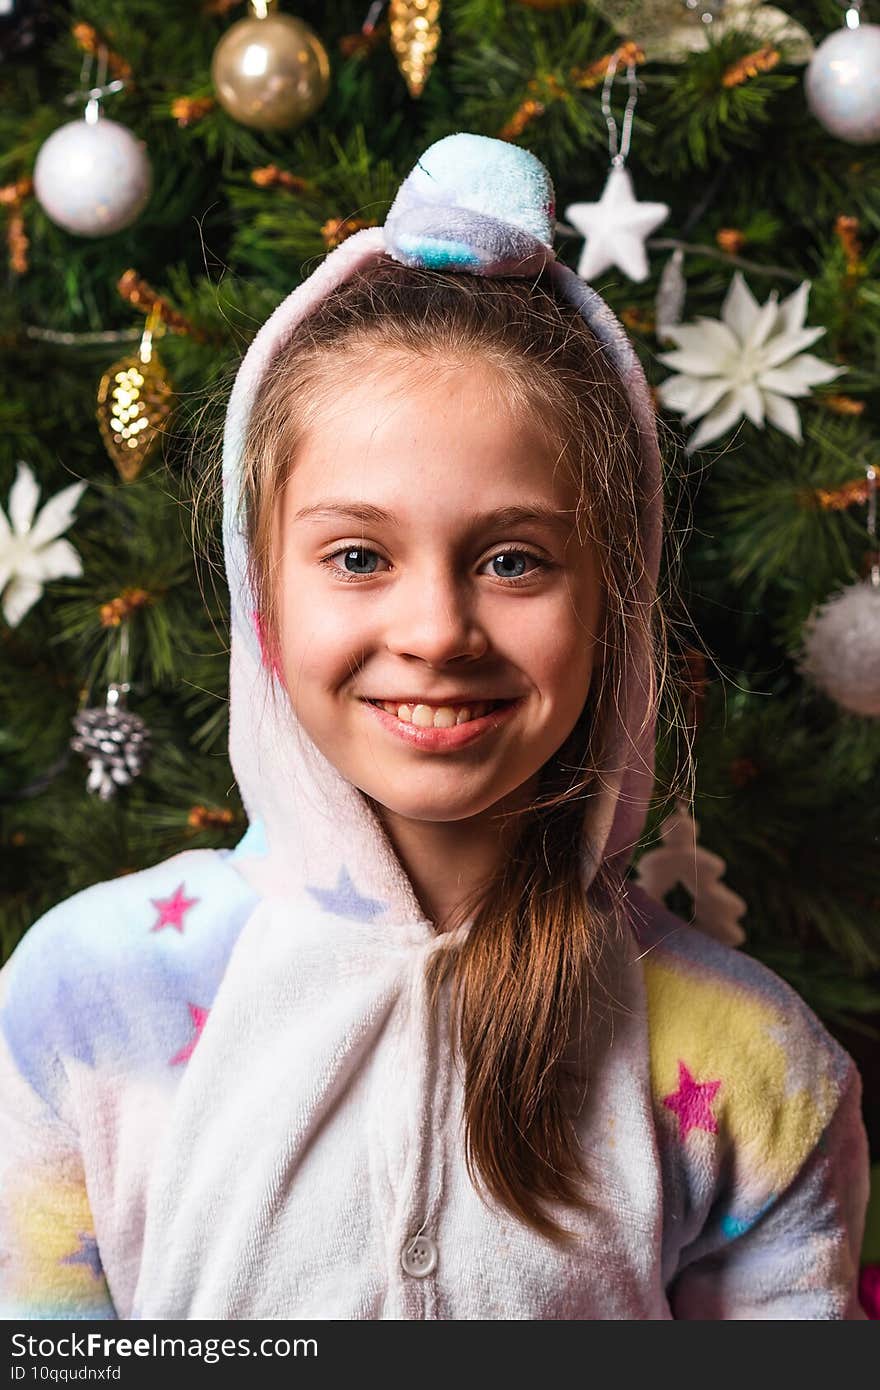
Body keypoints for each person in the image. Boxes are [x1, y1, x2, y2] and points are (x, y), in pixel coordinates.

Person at [0, 133, 869, 1321]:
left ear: (612, 597)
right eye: (357, 556)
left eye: (513, 559)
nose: (435, 630)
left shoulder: (754, 1065)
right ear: (265, 596)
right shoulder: (85, 999)